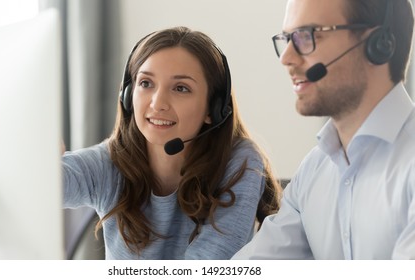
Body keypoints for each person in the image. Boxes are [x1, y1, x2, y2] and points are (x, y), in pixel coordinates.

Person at [62, 26, 282, 259]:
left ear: (213, 109)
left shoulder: (239, 161)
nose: (158, 103)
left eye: (180, 88)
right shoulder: (110, 160)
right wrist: (39, 155)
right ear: (128, 95)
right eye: (146, 83)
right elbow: (43, 186)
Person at [233, 0, 415, 259]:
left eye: (306, 36)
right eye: (287, 38)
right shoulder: (315, 168)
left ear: (378, 45)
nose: (286, 58)